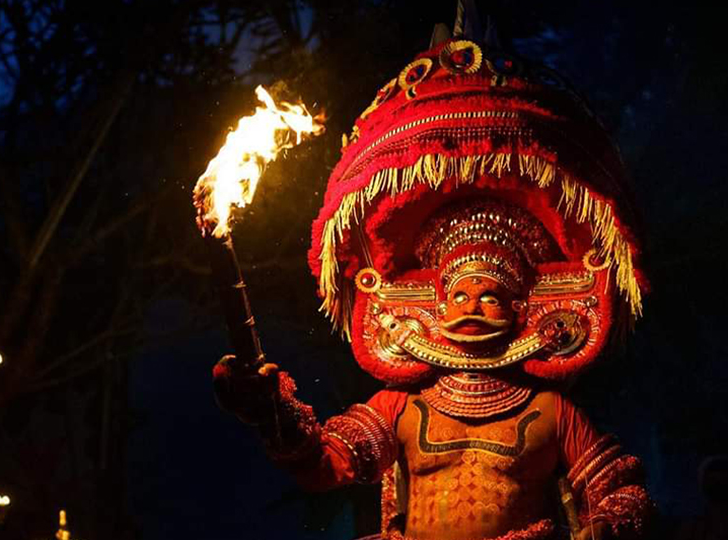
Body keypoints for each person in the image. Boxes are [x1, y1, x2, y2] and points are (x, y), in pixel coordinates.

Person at [214, 15, 652, 540]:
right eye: (460, 294)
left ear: (519, 310)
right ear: (438, 305)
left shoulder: (551, 411)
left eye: (490, 296)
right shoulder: (400, 406)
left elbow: (621, 488)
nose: (471, 306)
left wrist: (607, 523)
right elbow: (326, 464)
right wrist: (273, 413)